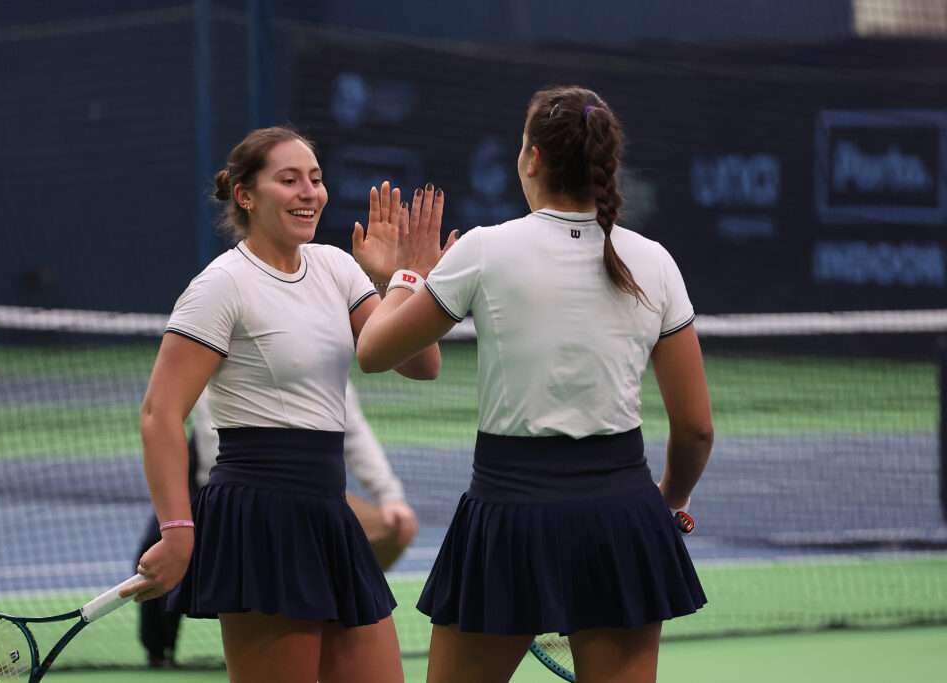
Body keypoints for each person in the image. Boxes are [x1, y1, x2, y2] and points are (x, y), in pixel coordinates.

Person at [355, 86, 713, 683]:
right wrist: (669, 501)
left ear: (532, 160)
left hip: (509, 518)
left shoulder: (482, 251)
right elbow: (696, 429)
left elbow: (373, 352)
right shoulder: (655, 260)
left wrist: (404, 274)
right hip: (622, 519)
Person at [123, 126, 440, 683]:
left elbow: (419, 362)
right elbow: (160, 413)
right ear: (245, 195)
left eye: (315, 179)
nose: (309, 193)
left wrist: (400, 280)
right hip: (260, 518)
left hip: (328, 511)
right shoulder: (221, 285)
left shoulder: (339, 269)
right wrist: (176, 529)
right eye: (288, 180)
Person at [134, 384, 419, 668]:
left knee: (395, 528)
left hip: (313, 495)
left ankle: (327, 613)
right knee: (158, 558)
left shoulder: (332, 362)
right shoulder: (227, 360)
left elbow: (356, 432)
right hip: (224, 490)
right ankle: (159, 650)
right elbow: (189, 432)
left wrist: (390, 496)